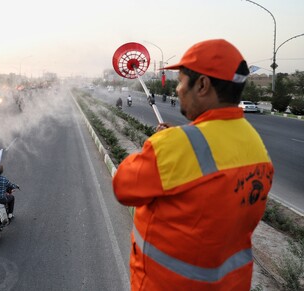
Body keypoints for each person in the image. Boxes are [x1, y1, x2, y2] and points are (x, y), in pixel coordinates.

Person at [112, 39, 274, 290]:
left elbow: (123, 187)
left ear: (202, 85)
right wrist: (178, 139)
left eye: (180, 81)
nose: (177, 90)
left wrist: (162, 144)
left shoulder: (176, 146)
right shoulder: (256, 145)